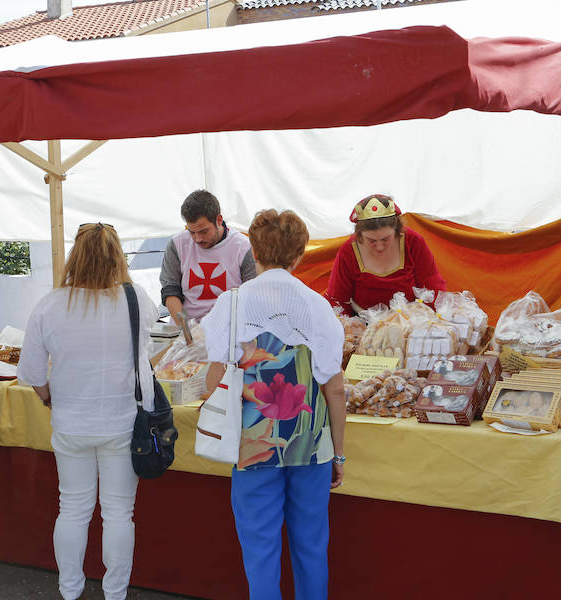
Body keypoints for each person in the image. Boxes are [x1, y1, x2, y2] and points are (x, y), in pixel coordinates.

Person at [201, 209, 346, 600]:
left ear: (254, 250)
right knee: (312, 546)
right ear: (299, 255)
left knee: (260, 549)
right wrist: (340, 453)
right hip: (310, 444)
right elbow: (335, 390)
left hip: (252, 443)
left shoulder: (230, 305)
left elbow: (215, 381)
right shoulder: (319, 308)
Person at [17, 223, 157, 600]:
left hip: (70, 421)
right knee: (118, 513)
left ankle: (70, 590)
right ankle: (115, 594)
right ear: (118, 256)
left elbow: (31, 372)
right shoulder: (138, 299)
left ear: (75, 256)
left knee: (73, 508)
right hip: (123, 422)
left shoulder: (51, 304)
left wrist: (49, 397)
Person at [325, 194, 446, 315]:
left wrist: (425, 319)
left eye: (386, 239)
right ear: (359, 234)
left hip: (412, 323)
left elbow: (433, 286)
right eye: (371, 241)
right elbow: (337, 300)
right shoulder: (349, 251)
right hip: (364, 326)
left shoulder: (413, 242)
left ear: (397, 230)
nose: (379, 247)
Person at [160, 189, 256, 324]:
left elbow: (251, 297)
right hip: (187, 331)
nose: (197, 239)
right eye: (191, 232)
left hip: (230, 330)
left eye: (203, 231)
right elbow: (170, 290)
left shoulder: (243, 247)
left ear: (219, 220)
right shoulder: (177, 244)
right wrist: (186, 331)